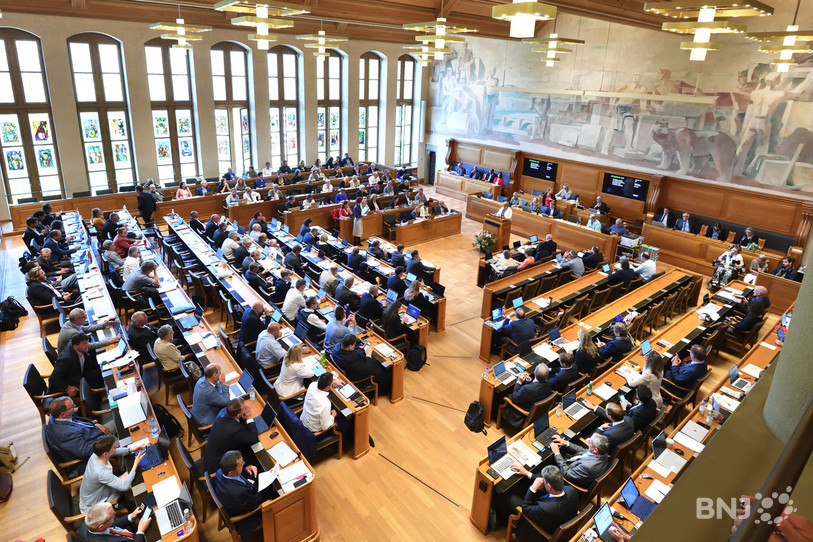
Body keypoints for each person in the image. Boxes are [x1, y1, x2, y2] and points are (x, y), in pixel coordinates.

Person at [45, 397, 134, 477]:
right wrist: (109, 440)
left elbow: (81, 423)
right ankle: (124, 466)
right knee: (128, 440)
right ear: (62, 414)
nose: (75, 406)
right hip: (94, 453)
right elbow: (86, 452)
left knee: (122, 419)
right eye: (72, 406)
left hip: (94, 432)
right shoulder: (64, 434)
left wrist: (96, 425)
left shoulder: (57, 417)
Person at [212, 450, 278, 539]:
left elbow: (236, 476)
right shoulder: (237, 493)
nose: (244, 463)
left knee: (260, 470)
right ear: (231, 472)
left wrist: (245, 469)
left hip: (244, 493)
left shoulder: (220, 472)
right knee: (278, 493)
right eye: (241, 464)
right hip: (248, 515)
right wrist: (269, 482)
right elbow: (254, 503)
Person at [508, 465, 578, 540]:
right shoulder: (571, 490)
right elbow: (552, 487)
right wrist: (527, 473)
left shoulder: (545, 509)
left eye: (543, 480)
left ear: (548, 486)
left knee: (510, 497)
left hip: (537, 533)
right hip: (557, 518)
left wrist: (533, 488)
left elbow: (525, 509)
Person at [79, 435, 146, 512]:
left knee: (133, 473)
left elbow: (114, 452)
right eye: (114, 447)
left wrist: (130, 450)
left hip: (100, 490)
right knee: (137, 479)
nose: (116, 446)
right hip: (96, 502)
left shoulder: (96, 454)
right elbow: (124, 486)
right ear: (105, 454)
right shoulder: (101, 472)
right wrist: (135, 464)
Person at [203, 398, 260, 474]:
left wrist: (243, 416)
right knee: (255, 455)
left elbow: (237, 423)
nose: (247, 408)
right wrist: (249, 419)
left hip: (211, 455)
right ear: (238, 415)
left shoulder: (223, 411)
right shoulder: (233, 429)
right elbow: (253, 438)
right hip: (218, 465)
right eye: (244, 408)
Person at [543, 433, 610, 488]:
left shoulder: (586, 467)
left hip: (567, 476)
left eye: (590, 441)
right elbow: (584, 451)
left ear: (595, 450)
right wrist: (566, 443)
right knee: (561, 450)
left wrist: (557, 453)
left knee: (543, 464)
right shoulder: (602, 453)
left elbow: (567, 474)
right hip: (574, 463)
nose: (587, 440)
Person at [79, 501, 152, 542]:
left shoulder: (91, 522)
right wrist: (140, 531)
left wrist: (131, 516)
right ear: (101, 527)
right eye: (112, 515)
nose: (115, 513)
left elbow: (114, 524)